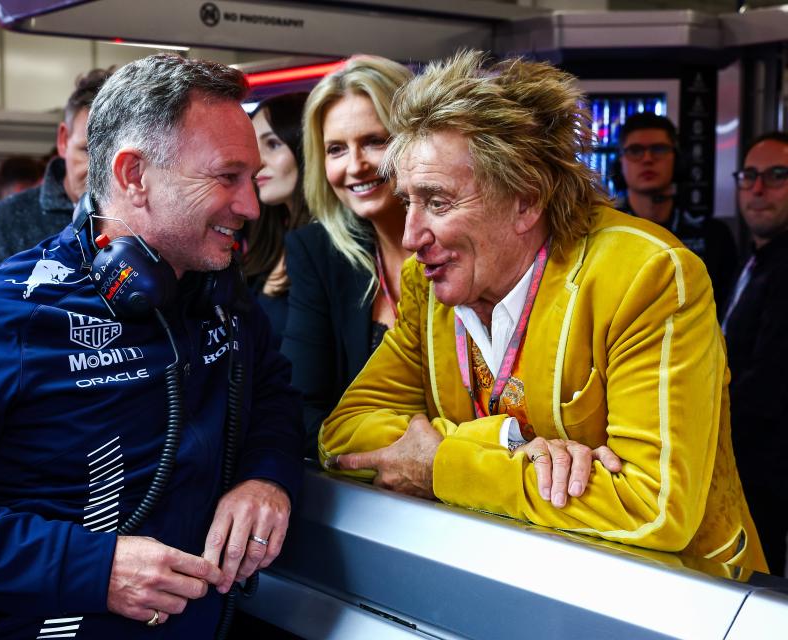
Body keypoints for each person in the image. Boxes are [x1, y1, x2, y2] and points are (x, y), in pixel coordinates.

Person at [0, 54, 303, 638]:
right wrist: (94, 568)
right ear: (134, 175)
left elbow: (275, 398)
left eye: (252, 179)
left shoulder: (217, 296)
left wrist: (265, 477)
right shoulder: (2, 314)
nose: (251, 207)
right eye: (225, 177)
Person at [320, 51, 766, 573]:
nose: (411, 236)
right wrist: (504, 442)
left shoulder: (647, 274)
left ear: (526, 202)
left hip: (673, 600)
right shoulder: (432, 281)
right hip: (507, 582)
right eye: (408, 201)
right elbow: (344, 434)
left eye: (437, 203)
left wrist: (442, 462)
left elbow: (652, 507)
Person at [282, 56, 411, 445]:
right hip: (362, 486)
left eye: (375, 141)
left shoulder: (469, 245)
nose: (355, 165)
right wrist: (391, 453)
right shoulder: (318, 251)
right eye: (336, 149)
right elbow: (298, 407)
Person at [722, 132, 788, 576]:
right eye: (749, 176)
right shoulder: (753, 258)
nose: (758, 189)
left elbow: (768, 385)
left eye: (776, 176)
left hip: (764, 473)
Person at [0, 68, 112, 276]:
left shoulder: (144, 219)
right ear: (63, 140)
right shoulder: (5, 220)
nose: (102, 169)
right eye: (88, 151)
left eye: (115, 154)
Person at [616, 113, 737, 306]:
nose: (647, 159)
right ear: (620, 163)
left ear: (678, 160)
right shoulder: (605, 234)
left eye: (659, 149)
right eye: (635, 150)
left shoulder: (714, 235)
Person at [243, 92, 310, 344]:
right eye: (253, 147)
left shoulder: (327, 247)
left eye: (272, 144)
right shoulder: (267, 235)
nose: (257, 162)